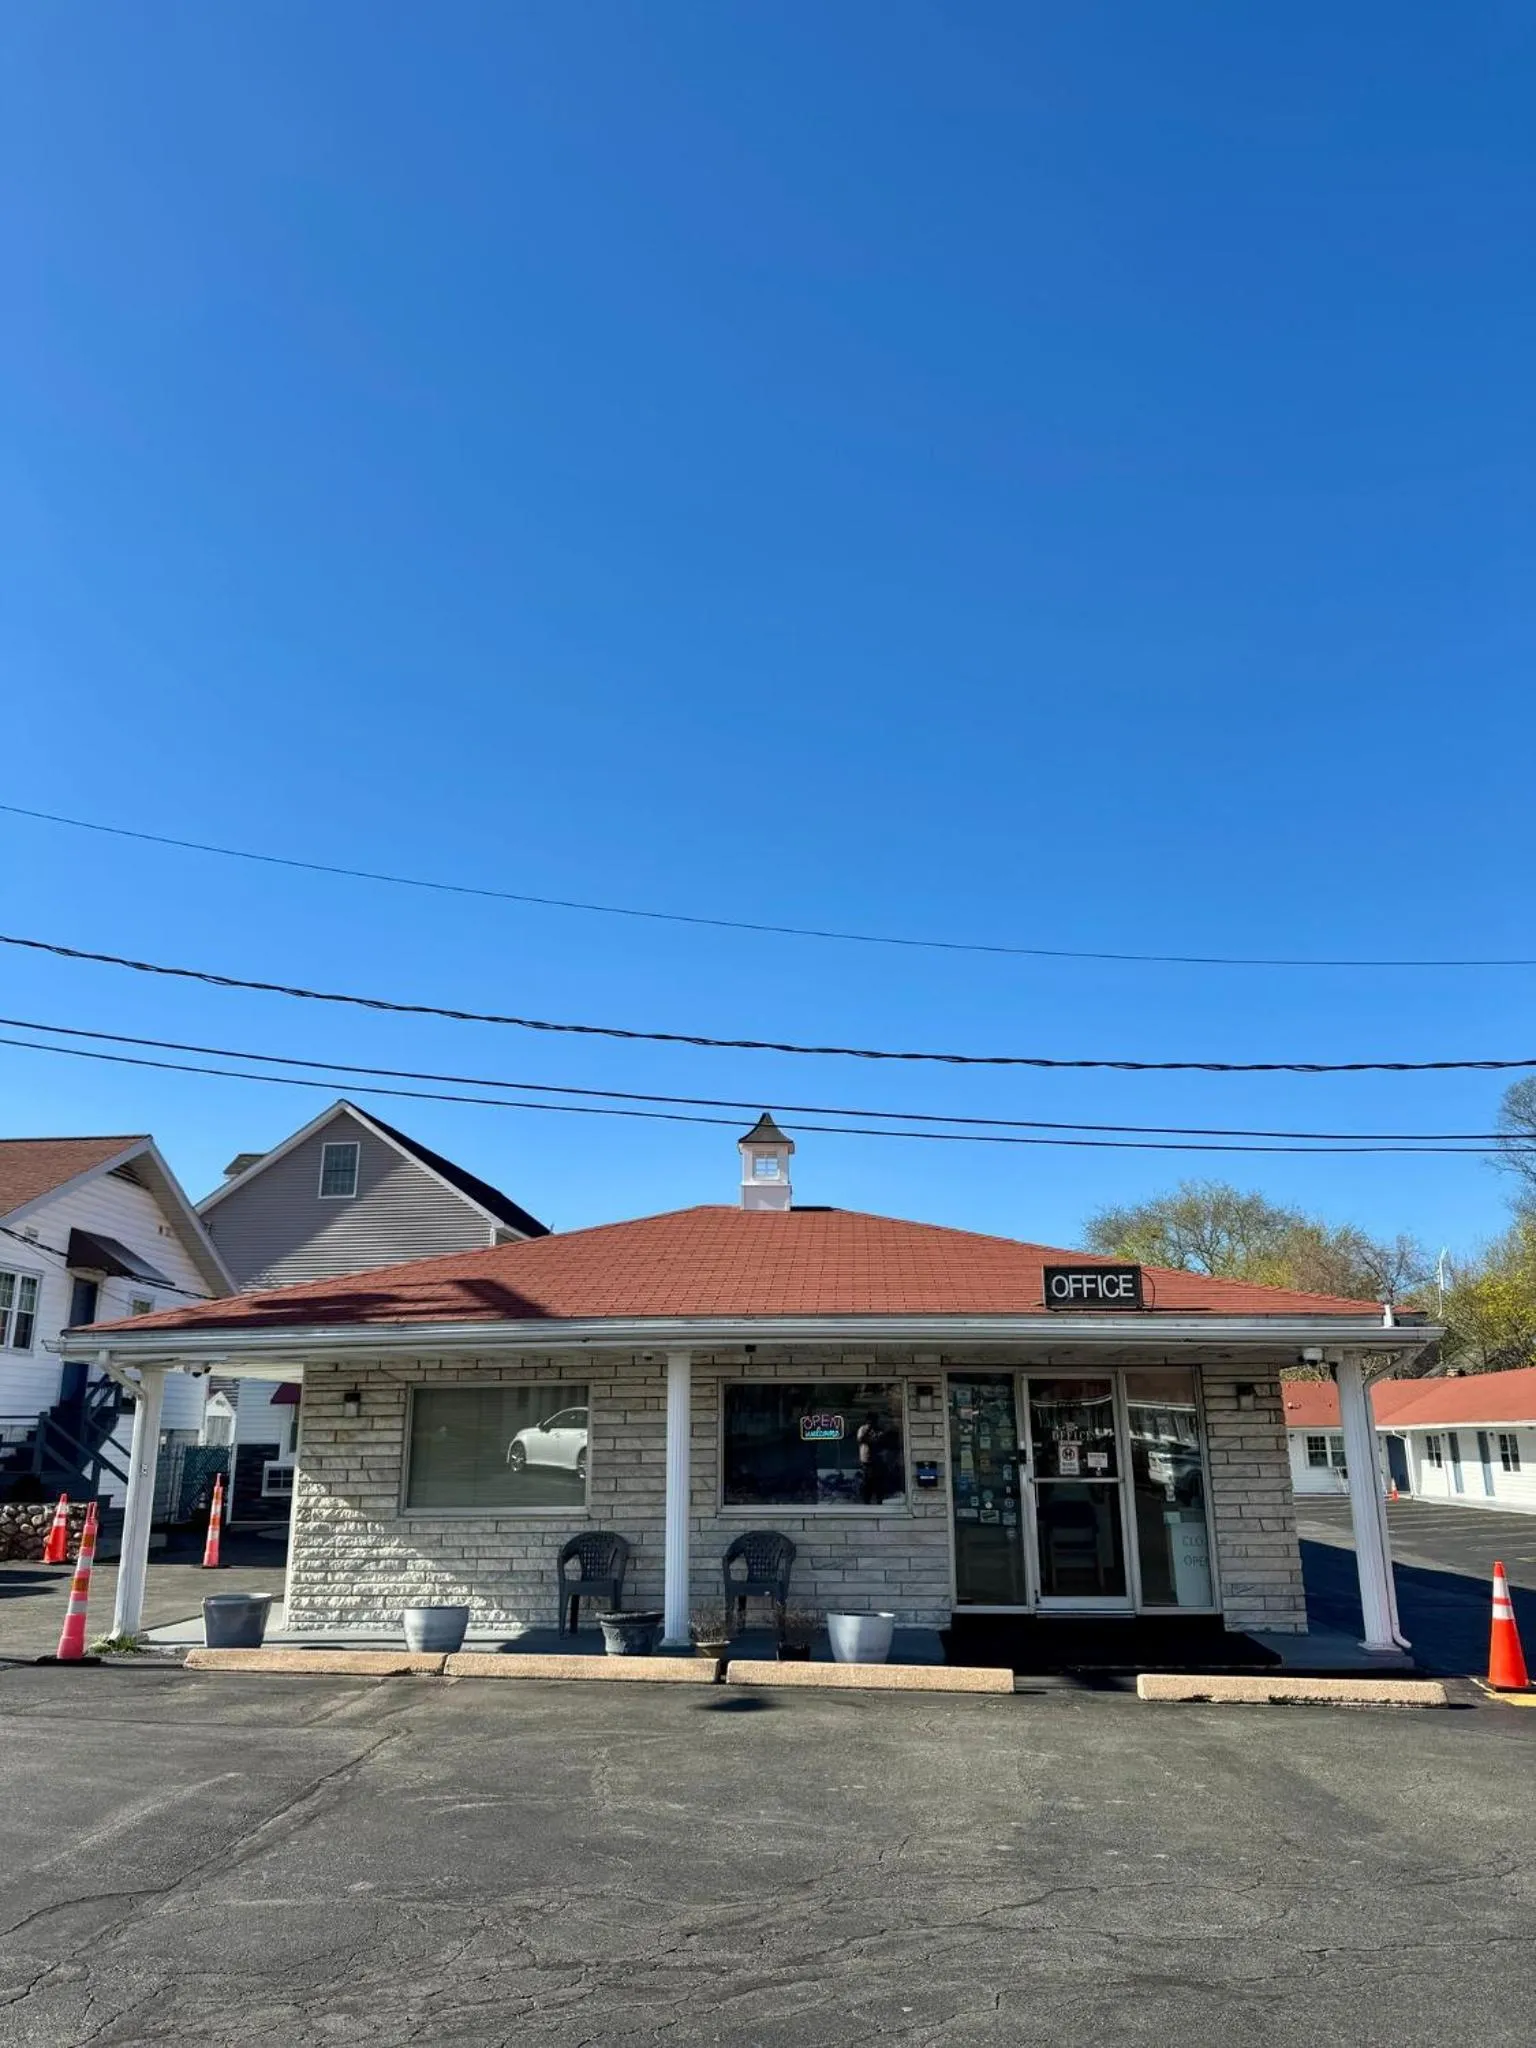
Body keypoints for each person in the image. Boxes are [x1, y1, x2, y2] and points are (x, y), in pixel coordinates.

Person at [856, 1410, 885, 1503]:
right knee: (867, 1481)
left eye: (874, 1420)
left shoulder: (879, 1430)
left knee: (878, 1481)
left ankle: (879, 1499)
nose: (872, 1422)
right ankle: (866, 1500)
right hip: (866, 1459)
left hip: (877, 1459)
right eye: (870, 1420)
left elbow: (880, 1441)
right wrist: (868, 1430)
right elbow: (860, 1440)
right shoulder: (863, 1429)